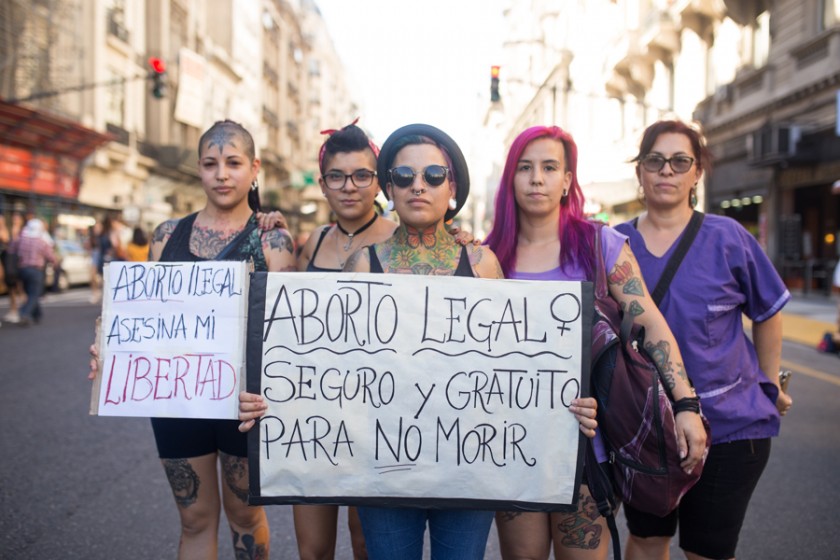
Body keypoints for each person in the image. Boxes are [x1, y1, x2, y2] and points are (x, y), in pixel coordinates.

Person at [484, 125, 708, 560]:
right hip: (512, 447)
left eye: (550, 167)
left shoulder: (599, 244)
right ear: (510, 177)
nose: (536, 179)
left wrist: (686, 404)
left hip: (588, 448)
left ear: (568, 180)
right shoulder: (486, 256)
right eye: (525, 168)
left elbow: (652, 326)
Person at [89, 119, 296, 559]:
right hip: (176, 399)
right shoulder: (166, 237)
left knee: (245, 518)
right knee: (194, 520)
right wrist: (108, 347)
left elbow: (283, 333)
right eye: (210, 163)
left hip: (244, 403)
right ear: (199, 170)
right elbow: (140, 312)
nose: (222, 173)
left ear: (254, 168)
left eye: (234, 163)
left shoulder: (274, 240)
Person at [614, 120, 791, 560]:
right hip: (644, 428)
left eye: (680, 161)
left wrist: (770, 385)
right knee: (647, 540)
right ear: (640, 172)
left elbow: (768, 311)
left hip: (729, 428)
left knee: (707, 551)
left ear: (697, 173)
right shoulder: (612, 243)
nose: (666, 171)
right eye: (654, 161)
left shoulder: (728, 237)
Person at [8, 217, 57, 326]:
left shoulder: (21, 239)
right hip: (36, 270)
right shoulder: (41, 241)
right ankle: (24, 313)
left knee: (30, 292)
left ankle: (37, 315)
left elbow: (11, 249)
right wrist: (55, 263)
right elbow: (51, 256)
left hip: (22, 270)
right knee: (34, 294)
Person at [3, 211, 25, 322]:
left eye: (17, 219)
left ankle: (25, 311)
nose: (14, 221)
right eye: (13, 219)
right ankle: (14, 310)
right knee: (12, 289)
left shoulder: (23, 233)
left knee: (19, 288)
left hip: (17, 264)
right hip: (9, 263)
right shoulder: (11, 231)